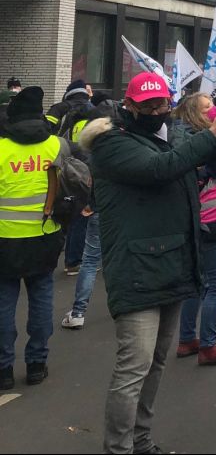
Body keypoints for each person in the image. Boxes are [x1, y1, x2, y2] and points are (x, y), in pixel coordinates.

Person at [83, 73, 216, 454]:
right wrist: (212, 134)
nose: (157, 111)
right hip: (136, 270)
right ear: (130, 105)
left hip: (171, 261)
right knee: (133, 367)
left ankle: (141, 440)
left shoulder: (168, 134)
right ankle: (118, 447)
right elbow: (161, 169)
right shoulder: (111, 144)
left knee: (154, 364)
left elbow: (215, 157)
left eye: (162, 104)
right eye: (149, 105)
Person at [172, 93, 216, 366]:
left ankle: (187, 339)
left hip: (195, 223)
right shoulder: (203, 145)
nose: (214, 110)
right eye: (207, 108)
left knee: (196, 284)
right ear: (195, 114)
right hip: (213, 222)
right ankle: (208, 345)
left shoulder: (184, 141)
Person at [0, 87, 66, 390]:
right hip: (45, 237)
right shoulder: (57, 146)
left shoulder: (1, 149)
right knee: (41, 300)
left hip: (5, 241)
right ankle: (37, 364)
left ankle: (3, 370)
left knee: (3, 305)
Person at [60, 101, 118, 330]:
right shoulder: (122, 151)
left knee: (90, 261)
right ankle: (121, 307)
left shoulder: (90, 155)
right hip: (118, 212)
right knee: (115, 260)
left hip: (96, 210)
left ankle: (78, 312)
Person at [49, 80, 94, 276]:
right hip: (86, 169)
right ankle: (74, 260)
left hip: (65, 168)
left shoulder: (66, 113)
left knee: (66, 208)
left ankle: (65, 255)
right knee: (83, 214)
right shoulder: (93, 113)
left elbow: (58, 137)